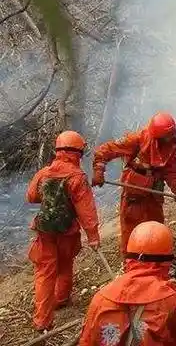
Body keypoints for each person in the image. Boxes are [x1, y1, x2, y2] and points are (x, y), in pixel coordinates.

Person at [78, 221, 176, 346]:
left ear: (129, 257)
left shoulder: (101, 298)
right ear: (166, 261)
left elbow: (87, 342)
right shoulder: (171, 299)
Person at [25, 130, 100, 333]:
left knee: (44, 272)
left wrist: (50, 199)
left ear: (58, 150)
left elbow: (31, 196)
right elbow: (87, 211)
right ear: (77, 152)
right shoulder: (77, 177)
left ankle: (42, 321)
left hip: (45, 232)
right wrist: (93, 236)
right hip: (68, 232)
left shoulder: (43, 173)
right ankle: (61, 298)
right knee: (65, 264)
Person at [92, 112, 176, 254]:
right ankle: (131, 263)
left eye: (172, 135)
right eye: (166, 137)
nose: (170, 139)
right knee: (131, 226)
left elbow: (170, 169)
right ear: (157, 137)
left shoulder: (170, 144)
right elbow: (106, 150)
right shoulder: (135, 140)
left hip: (155, 189)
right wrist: (98, 170)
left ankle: (155, 259)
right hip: (135, 190)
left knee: (155, 225)